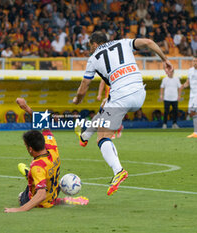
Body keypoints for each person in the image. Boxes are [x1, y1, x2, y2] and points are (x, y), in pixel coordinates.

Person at [73, 31, 173, 196]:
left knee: (102, 137)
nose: (90, 48)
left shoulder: (93, 58)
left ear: (94, 44)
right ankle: (84, 137)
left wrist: (77, 99)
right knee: (105, 105)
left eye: (90, 45)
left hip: (122, 97)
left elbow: (84, 85)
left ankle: (118, 170)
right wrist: (165, 60)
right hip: (139, 94)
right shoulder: (123, 42)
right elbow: (148, 42)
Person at [4, 98, 88, 213]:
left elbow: (41, 195)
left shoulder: (37, 166)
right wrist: (26, 107)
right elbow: (44, 124)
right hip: (54, 190)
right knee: (42, 176)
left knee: (22, 196)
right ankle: (31, 176)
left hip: (43, 203)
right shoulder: (51, 145)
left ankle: (30, 176)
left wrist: (19, 209)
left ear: (30, 149)